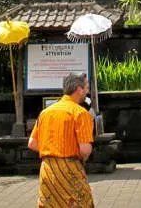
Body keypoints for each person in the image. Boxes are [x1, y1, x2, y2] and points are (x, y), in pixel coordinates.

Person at [28, 73, 95, 208]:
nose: (88, 91)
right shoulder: (80, 113)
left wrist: (53, 151)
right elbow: (85, 149)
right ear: (79, 90)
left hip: (47, 170)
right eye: (87, 88)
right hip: (70, 169)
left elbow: (32, 143)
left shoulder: (45, 112)